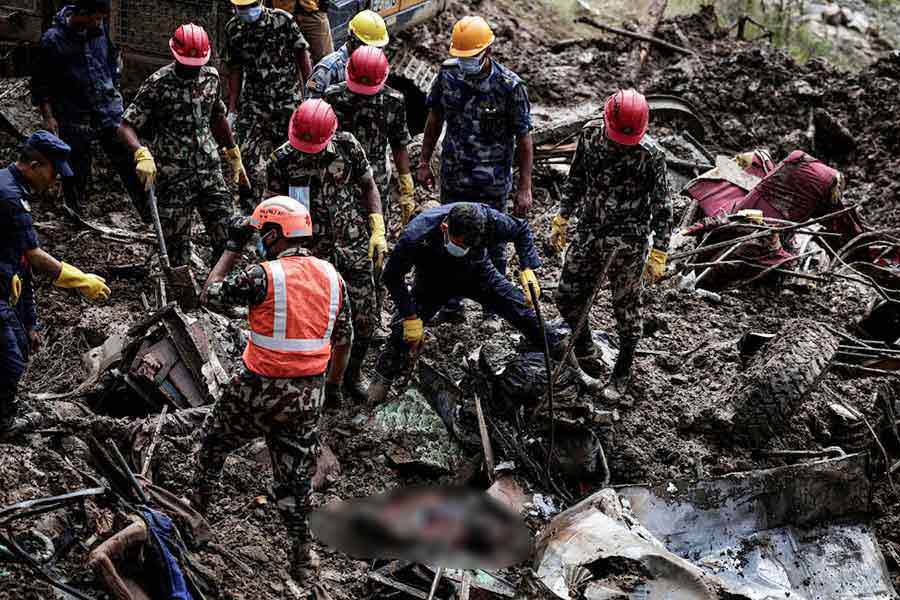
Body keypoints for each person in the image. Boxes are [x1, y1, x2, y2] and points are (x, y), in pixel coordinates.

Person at [194, 196, 351, 585]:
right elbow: (344, 339)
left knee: (212, 446)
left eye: (261, 233)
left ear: (272, 234)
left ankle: (194, 517)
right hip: (306, 398)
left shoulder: (263, 275)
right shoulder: (333, 278)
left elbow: (209, 295)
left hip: (255, 390)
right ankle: (303, 557)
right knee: (295, 482)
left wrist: (232, 246)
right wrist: (332, 387)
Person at [549, 89, 672, 403]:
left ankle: (622, 371)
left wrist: (659, 251)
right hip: (590, 229)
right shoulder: (590, 135)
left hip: (629, 241)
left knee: (626, 310)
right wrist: (563, 215)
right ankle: (586, 349)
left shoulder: (651, 155)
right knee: (566, 295)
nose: (622, 144)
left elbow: (663, 208)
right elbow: (576, 177)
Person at [368, 202, 556, 404]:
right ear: (445, 228)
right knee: (401, 334)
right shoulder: (416, 235)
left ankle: (559, 353)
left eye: (468, 245)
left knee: (523, 310)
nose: (464, 249)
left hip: (478, 274)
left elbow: (521, 229)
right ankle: (378, 387)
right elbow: (392, 276)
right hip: (433, 282)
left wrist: (527, 267)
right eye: (460, 245)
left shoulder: (489, 220)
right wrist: (409, 316)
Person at [417, 16, 534, 329]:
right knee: (450, 239)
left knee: (493, 244)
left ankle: (492, 311)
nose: (465, 62)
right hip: (454, 174)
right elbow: (434, 119)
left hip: (492, 180)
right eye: (461, 56)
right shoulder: (447, 74)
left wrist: (524, 187)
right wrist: (424, 161)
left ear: (488, 51)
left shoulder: (509, 86)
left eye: (471, 56)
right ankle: (451, 304)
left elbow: (524, 139)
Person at [267, 99, 385, 403]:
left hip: (353, 244)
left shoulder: (348, 146)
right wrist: (275, 254)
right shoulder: (281, 160)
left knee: (364, 317)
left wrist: (377, 225)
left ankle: (351, 376)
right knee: (316, 321)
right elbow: (272, 209)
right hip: (311, 254)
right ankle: (322, 379)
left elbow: (369, 185)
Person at [0, 131, 110, 438]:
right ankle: (3, 425)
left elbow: (22, 265)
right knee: (10, 361)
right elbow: (34, 257)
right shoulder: (9, 197)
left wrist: (31, 321)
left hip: (5, 287)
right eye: (53, 172)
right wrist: (80, 280)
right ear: (35, 165)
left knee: (19, 344)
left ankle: (6, 406)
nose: (56, 180)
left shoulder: (13, 189)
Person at [118, 23, 246, 268]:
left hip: (209, 169)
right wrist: (140, 152)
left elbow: (217, 116)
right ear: (175, 55)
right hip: (173, 175)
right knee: (176, 245)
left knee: (226, 233)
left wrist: (232, 151)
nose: (193, 69)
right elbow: (125, 126)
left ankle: (220, 283)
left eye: (197, 64)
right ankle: (180, 285)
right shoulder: (158, 84)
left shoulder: (211, 78)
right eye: (188, 64)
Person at [30, 0, 145, 217]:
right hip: (74, 114)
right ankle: (76, 212)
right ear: (82, 13)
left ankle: (148, 211)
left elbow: (110, 57)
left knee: (126, 158)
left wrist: (113, 86)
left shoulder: (99, 30)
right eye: (97, 18)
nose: (100, 23)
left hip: (107, 109)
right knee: (77, 166)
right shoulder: (53, 41)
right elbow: (40, 83)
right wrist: (48, 116)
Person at [223, 0, 313, 206]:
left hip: (287, 104)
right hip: (253, 105)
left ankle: (298, 209)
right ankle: (251, 210)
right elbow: (235, 68)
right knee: (245, 157)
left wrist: (310, 93)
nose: (247, 11)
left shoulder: (283, 21)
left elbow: (303, 56)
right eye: (242, 7)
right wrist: (232, 108)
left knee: (294, 160)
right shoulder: (233, 29)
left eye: (251, 5)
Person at [324, 46, 415, 230]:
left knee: (374, 230)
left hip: (369, 177)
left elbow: (398, 143)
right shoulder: (333, 97)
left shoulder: (393, 101)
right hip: (340, 174)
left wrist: (406, 183)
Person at [305, 9, 388, 99]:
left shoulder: (378, 64)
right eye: (367, 46)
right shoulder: (327, 69)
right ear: (352, 38)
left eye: (377, 47)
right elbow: (310, 100)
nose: (371, 51)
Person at [269, 0, 334, 65]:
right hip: (282, 15)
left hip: (312, 11)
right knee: (291, 62)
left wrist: (323, 6)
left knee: (326, 61)